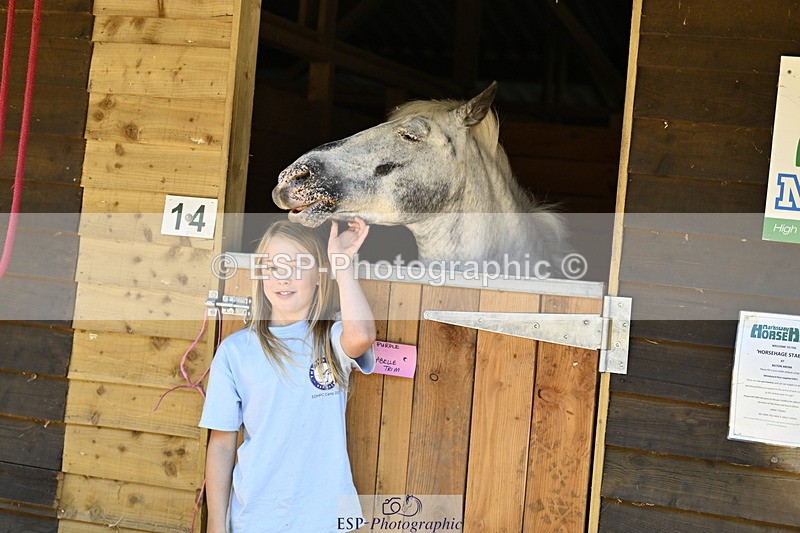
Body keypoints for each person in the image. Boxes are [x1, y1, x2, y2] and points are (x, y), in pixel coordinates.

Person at [200, 217, 377, 533]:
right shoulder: (235, 351)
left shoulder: (331, 339)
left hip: (324, 517)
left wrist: (342, 264)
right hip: (255, 515)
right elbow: (222, 445)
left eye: (296, 266)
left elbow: (362, 335)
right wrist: (216, 523)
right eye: (273, 267)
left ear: (319, 275)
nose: (283, 278)